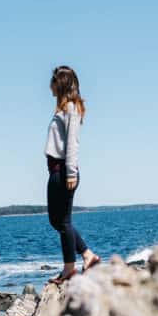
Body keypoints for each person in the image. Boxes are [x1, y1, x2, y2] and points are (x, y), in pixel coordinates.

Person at [45, 65, 100, 284]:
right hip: (55, 169)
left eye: (53, 81)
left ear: (61, 84)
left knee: (64, 221)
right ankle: (88, 255)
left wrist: (70, 173)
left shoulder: (71, 108)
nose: (49, 85)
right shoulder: (62, 109)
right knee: (56, 220)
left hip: (64, 170)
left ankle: (69, 268)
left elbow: (72, 143)